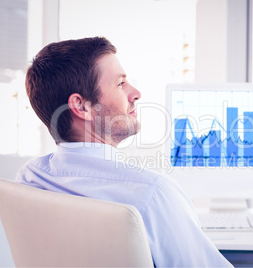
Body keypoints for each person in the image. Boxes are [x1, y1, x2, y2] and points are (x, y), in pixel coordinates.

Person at [15, 36, 233, 267]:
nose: (136, 93)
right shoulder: (151, 194)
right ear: (81, 106)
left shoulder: (30, 179)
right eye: (120, 84)